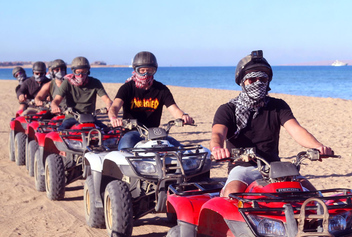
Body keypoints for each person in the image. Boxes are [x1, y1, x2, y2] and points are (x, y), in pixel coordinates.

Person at [210, 50, 333, 197]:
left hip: (275, 167)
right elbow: (218, 133)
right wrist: (217, 148)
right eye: (252, 79)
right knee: (232, 194)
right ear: (242, 81)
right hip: (242, 168)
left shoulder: (278, 106)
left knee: (313, 195)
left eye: (262, 79)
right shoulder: (228, 109)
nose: (258, 82)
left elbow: (296, 130)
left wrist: (318, 146)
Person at [108, 51, 194, 149]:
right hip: (132, 133)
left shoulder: (161, 89)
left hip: (155, 134)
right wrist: (113, 118)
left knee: (180, 149)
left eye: (150, 70)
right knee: (125, 149)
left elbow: (174, 109)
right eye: (142, 70)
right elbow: (115, 106)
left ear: (155, 71)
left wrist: (184, 116)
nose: (146, 74)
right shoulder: (127, 88)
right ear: (135, 70)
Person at [51, 56, 112, 130]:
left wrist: (109, 106)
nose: (81, 75)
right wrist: (54, 106)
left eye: (84, 72)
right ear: (73, 71)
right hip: (72, 117)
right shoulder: (67, 83)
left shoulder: (95, 83)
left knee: (108, 132)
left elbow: (107, 100)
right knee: (61, 132)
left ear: (88, 71)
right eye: (78, 72)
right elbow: (56, 99)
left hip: (90, 118)